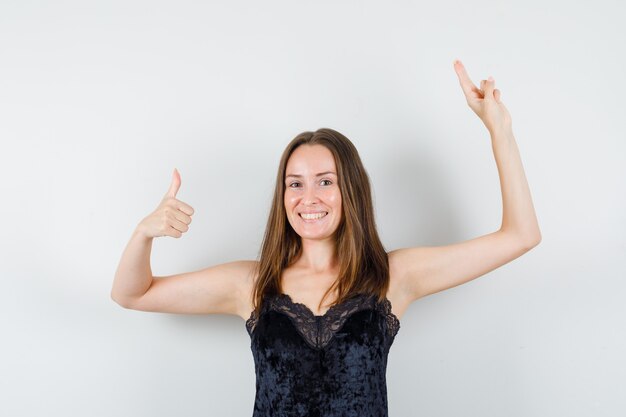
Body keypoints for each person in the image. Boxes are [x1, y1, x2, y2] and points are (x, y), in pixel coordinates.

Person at [111, 59, 541, 416]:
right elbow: (132, 294)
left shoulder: (393, 276)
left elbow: (521, 236)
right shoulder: (250, 283)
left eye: (325, 181)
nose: (308, 197)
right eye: (295, 184)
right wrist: (143, 233)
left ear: (349, 190)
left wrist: (499, 131)